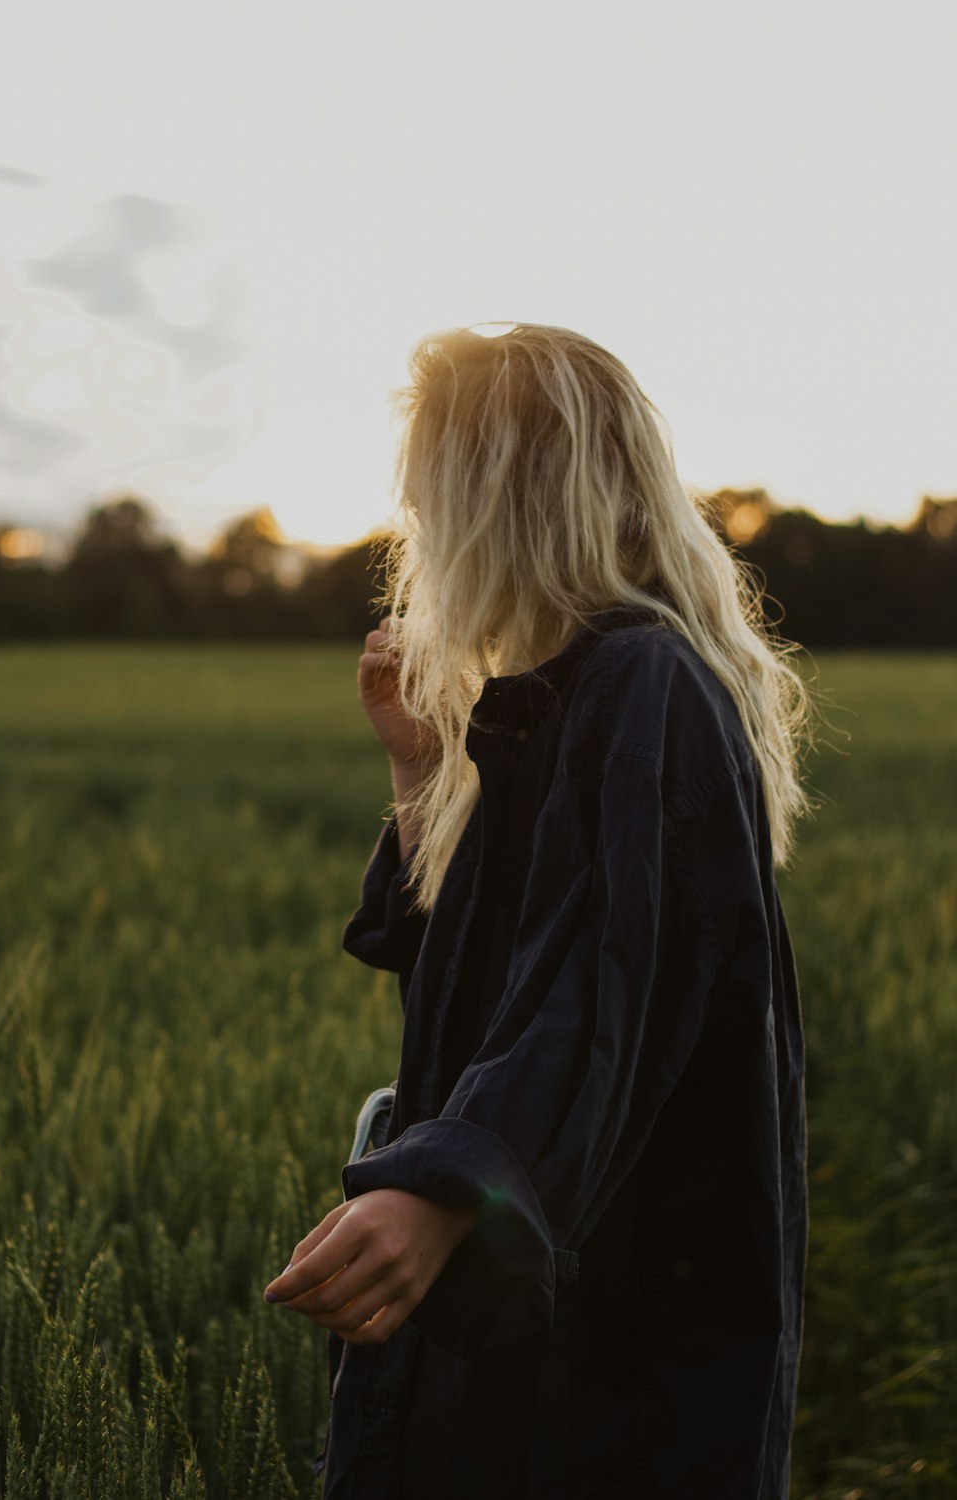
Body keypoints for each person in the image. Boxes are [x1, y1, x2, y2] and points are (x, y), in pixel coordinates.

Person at [263, 322, 817, 1499]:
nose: (417, 541)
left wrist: (449, 1181)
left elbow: (599, 991)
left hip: (616, 1318)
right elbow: (479, 985)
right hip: (567, 1285)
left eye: (429, 507)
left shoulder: (644, 687)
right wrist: (420, 773)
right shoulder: (564, 700)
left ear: (504, 503)